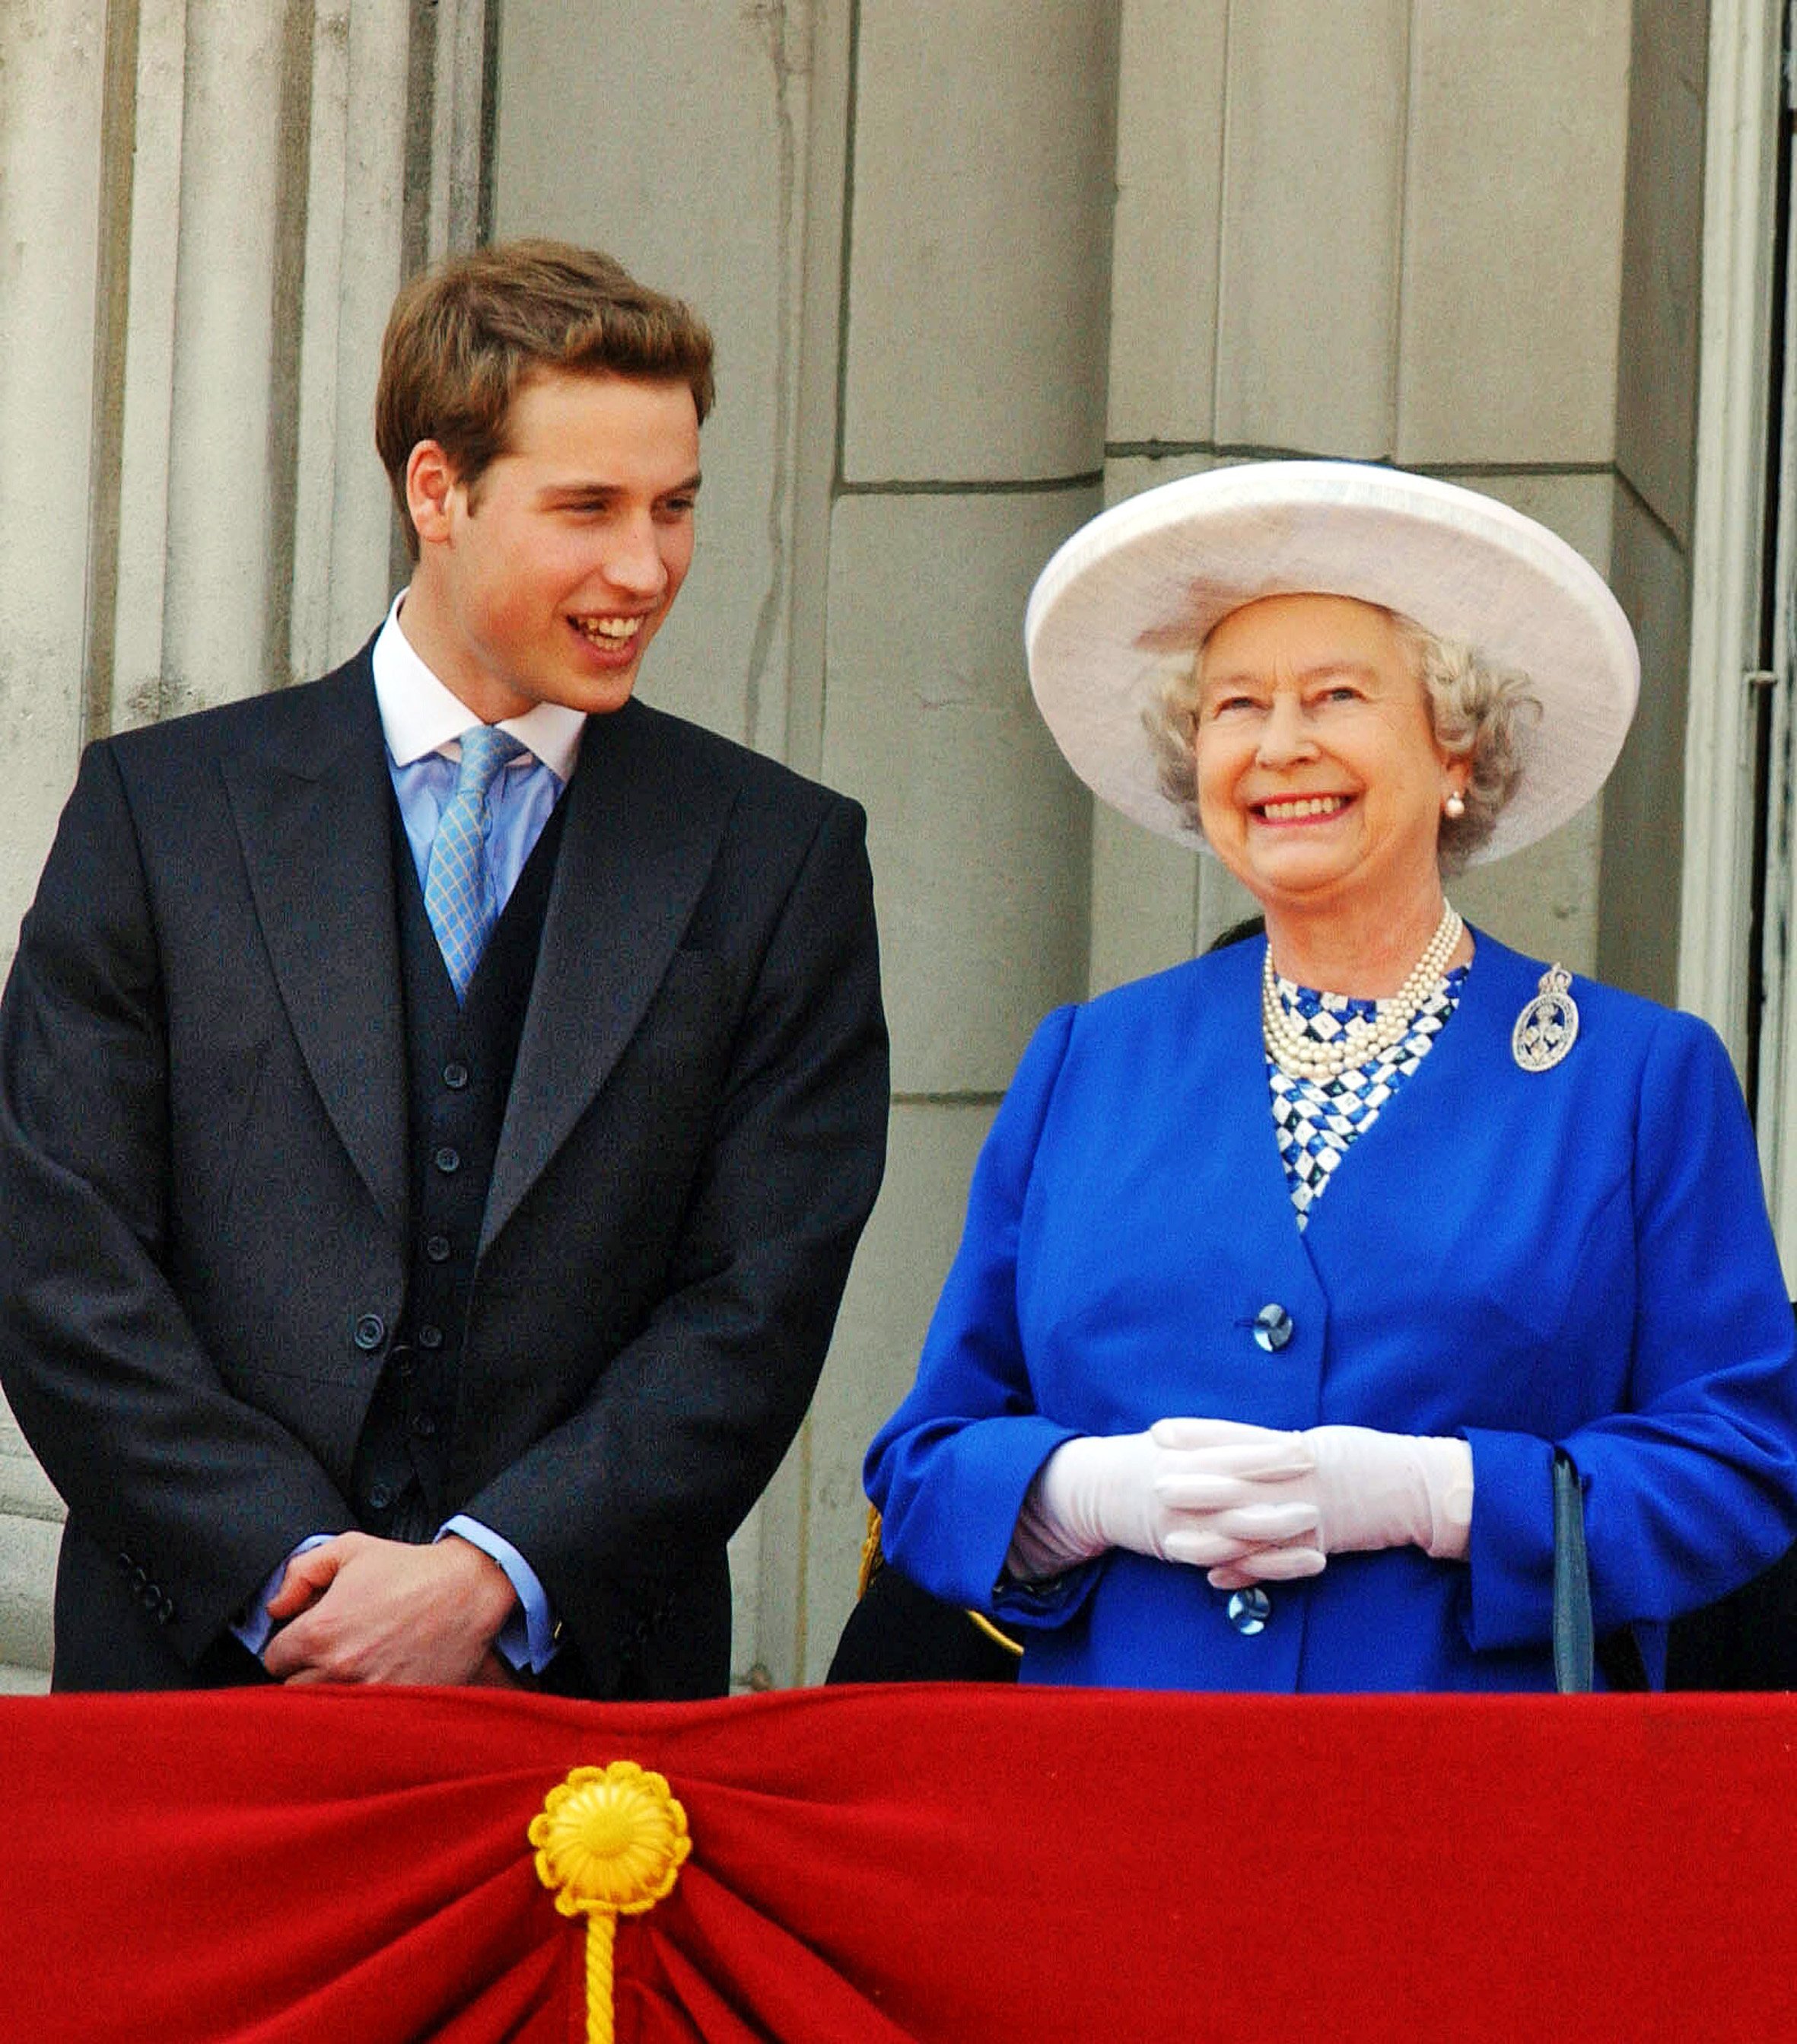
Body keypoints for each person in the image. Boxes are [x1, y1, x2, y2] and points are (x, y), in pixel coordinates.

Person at [0, 238, 888, 1695]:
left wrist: (490, 1579)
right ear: (437, 490)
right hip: (195, 1687)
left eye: (675, 508)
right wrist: (292, 1583)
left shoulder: (778, 853)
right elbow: (57, 1255)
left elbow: (760, 1297)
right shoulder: (159, 814)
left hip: (582, 1699)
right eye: (587, 507)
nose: (644, 567)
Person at [864, 460, 1797, 1692]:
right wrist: (1086, 1493)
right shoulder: (1087, 1061)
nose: (1280, 745)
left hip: (1467, 1804)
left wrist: (1441, 1493)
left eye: (1337, 695)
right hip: (1116, 1796)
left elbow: (1738, 1461)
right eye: (1236, 706)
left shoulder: (1633, 1078)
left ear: (1453, 748)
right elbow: (926, 1462)